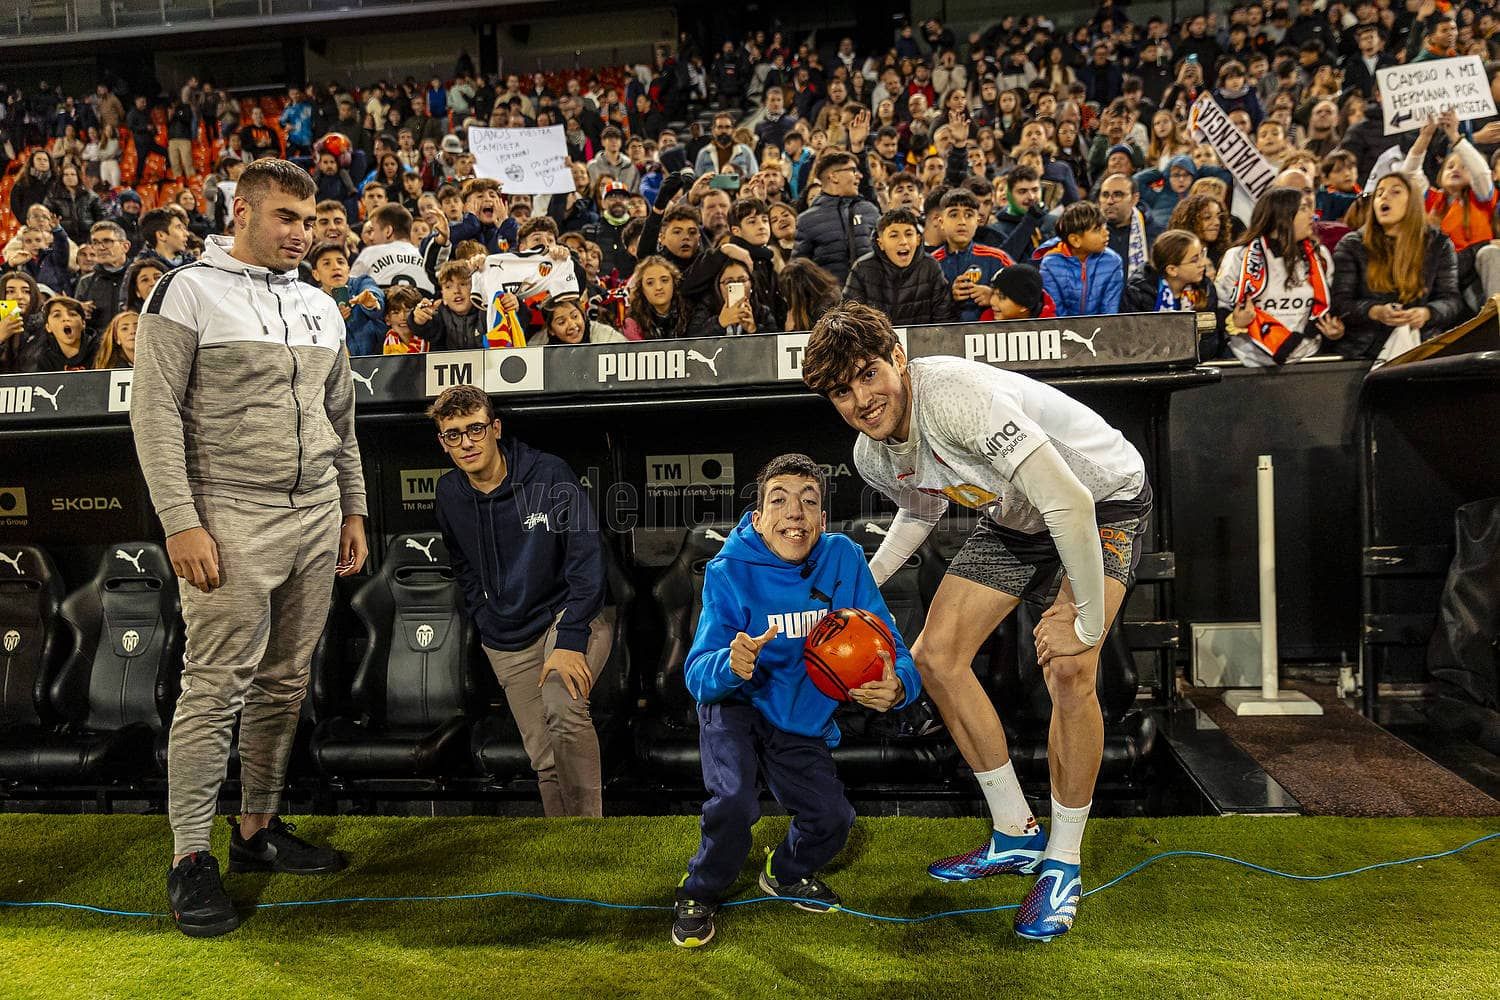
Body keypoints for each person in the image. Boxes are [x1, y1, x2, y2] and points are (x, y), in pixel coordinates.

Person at [800, 302, 1154, 942]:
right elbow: (919, 509)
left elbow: (1069, 501)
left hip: (1100, 500)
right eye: (841, 391)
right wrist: (862, 585)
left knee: (1072, 668)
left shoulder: (956, 397)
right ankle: (1015, 832)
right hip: (1020, 517)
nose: (861, 399)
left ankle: (1063, 862)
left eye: (868, 374)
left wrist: (1087, 623)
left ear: (899, 358)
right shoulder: (871, 453)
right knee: (935, 657)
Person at [131, 158, 368, 939]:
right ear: (242, 212)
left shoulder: (321, 305)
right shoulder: (187, 289)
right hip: (228, 515)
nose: (303, 233)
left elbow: (342, 423)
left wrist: (353, 511)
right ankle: (190, 857)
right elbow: (155, 415)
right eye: (286, 218)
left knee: (284, 682)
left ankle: (256, 829)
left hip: (316, 514)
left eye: (310, 220)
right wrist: (180, 519)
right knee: (214, 687)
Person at [672, 453, 920, 949]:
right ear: (758, 518)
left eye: (809, 503)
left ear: (822, 520)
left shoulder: (844, 557)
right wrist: (731, 663)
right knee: (735, 802)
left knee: (833, 820)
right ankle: (699, 890)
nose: (795, 514)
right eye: (779, 501)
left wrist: (900, 687)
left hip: (798, 717)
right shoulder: (728, 570)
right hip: (735, 706)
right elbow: (698, 675)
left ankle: (784, 871)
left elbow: (890, 642)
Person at [430, 385, 610, 818]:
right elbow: (462, 564)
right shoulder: (449, 493)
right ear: (442, 441)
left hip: (568, 615)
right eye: (453, 434)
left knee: (563, 707)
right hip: (506, 635)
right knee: (544, 756)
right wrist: (485, 615)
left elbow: (587, 559)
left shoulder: (548, 474)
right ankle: (561, 845)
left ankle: (592, 840)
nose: (466, 442)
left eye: (474, 429)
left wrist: (570, 637)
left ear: (495, 428)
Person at [1330, 172, 1461, 360]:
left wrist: (1426, 313)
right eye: (1380, 192)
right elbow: (1340, 302)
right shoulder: (1352, 244)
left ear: (1413, 202)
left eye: (1395, 192)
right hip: (1365, 349)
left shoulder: (1438, 244)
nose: (1384, 196)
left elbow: (1451, 300)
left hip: (1421, 346)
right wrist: (1375, 311)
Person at [1214, 186, 1341, 367]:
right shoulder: (1239, 256)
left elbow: (1327, 308)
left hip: (1308, 359)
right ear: (1282, 216)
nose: (1312, 215)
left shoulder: (1319, 255)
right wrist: (1233, 322)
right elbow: (1219, 307)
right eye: (1303, 209)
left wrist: (1334, 332)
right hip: (1249, 361)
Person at [843, 208, 958, 325]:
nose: (903, 241)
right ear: (880, 243)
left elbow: (944, 320)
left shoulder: (931, 267)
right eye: (894, 236)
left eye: (909, 234)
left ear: (918, 239)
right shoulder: (862, 268)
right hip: (877, 342)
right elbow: (850, 321)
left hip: (923, 341)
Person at [1122, 229, 1223, 358]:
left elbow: (1209, 342)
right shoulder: (1138, 291)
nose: (1202, 263)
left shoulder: (1206, 288)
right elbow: (1133, 344)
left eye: (1202, 254)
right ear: (1172, 270)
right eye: (1194, 260)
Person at [792, 150, 879, 284]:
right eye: (853, 171)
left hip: (872, 301)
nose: (859, 176)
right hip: (831, 303)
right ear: (834, 176)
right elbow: (798, 272)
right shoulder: (807, 220)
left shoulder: (870, 211)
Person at [932, 189, 1015, 323]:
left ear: (978, 220)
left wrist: (995, 297)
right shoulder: (930, 264)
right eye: (954, 215)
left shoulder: (998, 258)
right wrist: (948, 297)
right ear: (941, 222)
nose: (962, 221)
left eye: (969, 215)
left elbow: (1025, 299)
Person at [1035, 201, 1124, 317]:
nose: (1106, 233)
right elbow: (1056, 312)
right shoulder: (1050, 265)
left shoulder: (1113, 262)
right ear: (1075, 240)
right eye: (1097, 229)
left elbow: (1109, 310)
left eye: (1105, 226)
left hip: (1101, 329)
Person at [307, 241, 385, 357]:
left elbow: (374, 293)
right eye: (327, 263)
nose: (336, 267)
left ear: (348, 269)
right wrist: (333, 322)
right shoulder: (312, 302)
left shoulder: (361, 283)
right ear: (316, 274)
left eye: (340, 262)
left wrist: (371, 304)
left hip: (378, 363)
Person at [17, 296, 95, 372]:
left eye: (72, 314)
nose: (66, 318)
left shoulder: (101, 350)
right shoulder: (40, 358)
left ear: (83, 323)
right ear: (48, 327)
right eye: (57, 315)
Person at [621, 255, 687, 340]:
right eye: (650, 283)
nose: (658, 287)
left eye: (664, 280)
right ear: (641, 289)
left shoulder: (690, 313)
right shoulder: (633, 323)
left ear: (674, 283)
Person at [382, 285, 429, 353]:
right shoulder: (381, 346)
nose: (403, 317)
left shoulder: (434, 341)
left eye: (408, 311)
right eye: (396, 312)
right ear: (387, 319)